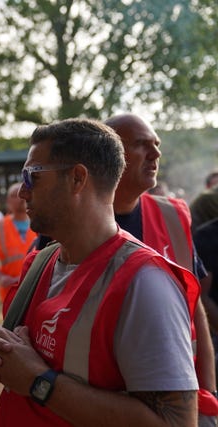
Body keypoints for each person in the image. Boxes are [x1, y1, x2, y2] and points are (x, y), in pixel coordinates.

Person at [0, 118, 200, 426]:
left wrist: (39, 382)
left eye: (32, 177)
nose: (23, 192)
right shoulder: (41, 264)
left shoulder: (143, 282)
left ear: (77, 178)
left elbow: (176, 422)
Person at [106, 113, 218, 424]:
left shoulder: (173, 217)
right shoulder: (73, 222)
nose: (155, 154)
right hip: (109, 401)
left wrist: (209, 391)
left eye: (157, 144)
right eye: (141, 144)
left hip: (182, 395)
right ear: (108, 153)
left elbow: (195, 309)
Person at [0, 182, 37, 303]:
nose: (20, 198)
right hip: (10, 292)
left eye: (22, 193)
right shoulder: (0, 227)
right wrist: (0, 277)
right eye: (14, 195)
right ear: (8, 201)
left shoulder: (39, 224)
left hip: (35, 289)